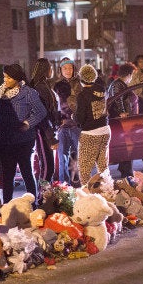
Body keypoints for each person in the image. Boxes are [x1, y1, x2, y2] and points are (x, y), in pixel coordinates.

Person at [0, 64, 46, 205]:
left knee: (26, 172)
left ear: (17, 78)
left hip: (23, 140)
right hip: (5, 138)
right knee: (7, 175)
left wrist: (27, 123)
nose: (6, 80)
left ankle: (33, 204)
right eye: (4, 77)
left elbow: (40, 111)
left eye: (9, 77)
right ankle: (7, 206)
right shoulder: (1, 92)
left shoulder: (28, 92)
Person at [74, 65, 110, 185]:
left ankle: (88, 198)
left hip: (90, 134)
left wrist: (72, 116)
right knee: (103, 166)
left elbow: (80, 118)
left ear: (81, 79)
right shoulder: (102, 90)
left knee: (84, 170)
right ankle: (108, 192)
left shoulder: (82, 95)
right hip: (105, 130)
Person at [29, 58, 59, 182]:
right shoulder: (40, 87)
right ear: (45, 70)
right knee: (47, 167)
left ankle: (47, 195)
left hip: (47, 130)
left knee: (48, 166)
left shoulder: (44, 84)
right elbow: (42, 115)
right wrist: (50, 137)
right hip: (42, 131)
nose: (52, 70)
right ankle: (43, 197)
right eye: (50, 68)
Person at [53, 57, 82, 187]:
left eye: (70, 68)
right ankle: (63, 185)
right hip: (62, 126)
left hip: (76, 125)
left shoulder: (79, 83)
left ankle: (77, 183)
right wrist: (59, 121)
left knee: (76, 156)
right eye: (65, 68)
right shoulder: (56, 86)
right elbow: (54, 106)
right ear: (61, 70)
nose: (68, 70)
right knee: (62, 158)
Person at [107, 63, 137, 178]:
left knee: (127, 145)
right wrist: (122, 112)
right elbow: (118, 99)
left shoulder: (120, 84)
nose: (132, 77)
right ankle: (126, 172)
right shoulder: (118, 84)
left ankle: (126, 169)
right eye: (132, 75)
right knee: (127, 145)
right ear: (128, 74)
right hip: (120, 120)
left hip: (123, 119)